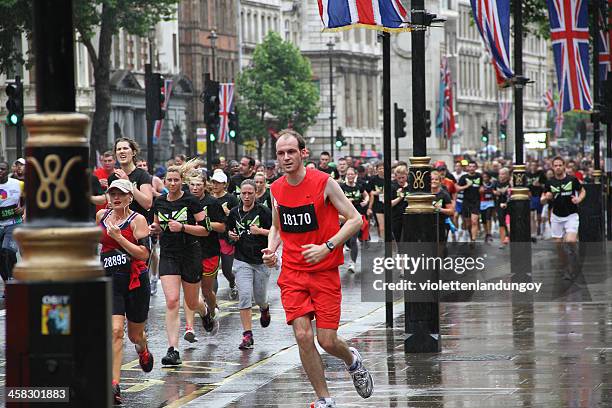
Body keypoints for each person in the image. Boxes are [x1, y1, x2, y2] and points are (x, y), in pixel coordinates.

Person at [263, 129, 373, 408]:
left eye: (291, 152)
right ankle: (324, 399)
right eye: (280, 153)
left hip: (324, 272)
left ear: (303, 153)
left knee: (326, 340)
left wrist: (328, 245)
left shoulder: (324, 182)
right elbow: (277, 226)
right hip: (292, 273)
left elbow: (355, 219)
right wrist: (271, 249)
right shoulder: (276, 189)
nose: (286, 157)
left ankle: (352, 359)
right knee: (302, 335)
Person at [98, 179, 153, 405]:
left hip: (135, 282)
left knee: (134, 335)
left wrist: (119, 238)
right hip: (111, 281)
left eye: (120, 194)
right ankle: (114, 385)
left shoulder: (137, 220)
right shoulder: (101, 216)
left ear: (130, 197)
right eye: (112, 194)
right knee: (116, 331)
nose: (116, 198)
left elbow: (144, 255)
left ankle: (143, 348)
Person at [149, 166, 210, 366]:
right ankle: (173, 350)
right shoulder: (159, 202)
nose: (173, 183)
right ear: (164, 182)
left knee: (192, 303)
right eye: (169, 180)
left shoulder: (191, 201)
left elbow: (206, 230)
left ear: (181, 181)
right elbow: (157, 225)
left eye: (176, 180)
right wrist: (155, 229)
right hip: (169, 254)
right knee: (172, 301)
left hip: (190, 253)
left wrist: (183, 227)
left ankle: (205, 311)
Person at [226, 180, 273, 349]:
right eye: (243, 193)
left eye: (249, 193)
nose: (246, 197)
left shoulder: (264, 211)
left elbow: (276, 233)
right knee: (245, 295)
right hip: (241, 259)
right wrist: (232, 236)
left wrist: (260, 231)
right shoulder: (234, 213)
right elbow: (228, 233)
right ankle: (247, 335)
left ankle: (264, 308)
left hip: (261, 260)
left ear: (255, 193)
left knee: (260, 297)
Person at [183, 173, 226, 342]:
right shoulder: (184, 201)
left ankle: (211, 313)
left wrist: (203, 224)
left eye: (198, 185)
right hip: (189, 251)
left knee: (206, 291)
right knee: (190, 290)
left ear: (204, 186)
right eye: (192, 185)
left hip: (209, 251)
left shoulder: (212, 203)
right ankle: (190, 328)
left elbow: (222, 227)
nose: (194, 188)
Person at [541, 157, 585, 276]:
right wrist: (546, 197)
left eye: (560, 165)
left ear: (564, 166)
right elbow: (542, 200)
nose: (558, 167)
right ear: (552, 167)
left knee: (570, 240)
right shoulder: (549, 182)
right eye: (555, 165)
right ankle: (565, 266)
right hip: (556, 217)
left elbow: (582, 191)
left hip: (571, 215)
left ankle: (574, 259)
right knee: (559, 245)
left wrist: (578, 199)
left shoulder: (572, 179)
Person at [107, 138, 154, 221]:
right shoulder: (112, 177)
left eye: (125, 148)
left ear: (133, 152)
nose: (122, 151)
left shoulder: (142, 175)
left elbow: (147, 204)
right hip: (119, 223)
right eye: (119, 149)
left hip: (138, 224)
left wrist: (127, 182)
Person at [210, 170, 239, 299]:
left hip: (226, 238)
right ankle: (212, 301)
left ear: (225, 184)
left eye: (218, 183)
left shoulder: (231, 198)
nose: (215, 185)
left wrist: (228, 213)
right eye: (214, 182)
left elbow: (238, 216)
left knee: (227, 270)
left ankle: (232, 283)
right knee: (213, 272)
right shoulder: (208, 198)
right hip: (211, 238)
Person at [0, 161, 24, 296]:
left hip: (13, 223)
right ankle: (7, 284)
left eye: (2, 169)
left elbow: (31, 198)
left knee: (7, 251)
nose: (0, 171)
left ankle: (13, 280)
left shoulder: (18, 184)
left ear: (8, 170)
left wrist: (23, 208)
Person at [341, 167, 369, 272]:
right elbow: (336, 199)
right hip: (344, 217)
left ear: (355, 175)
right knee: (345, 240)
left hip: (356, 217)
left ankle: (352, 263)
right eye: (348, 174)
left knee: (353, 240)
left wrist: (365, 201)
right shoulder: (342, 187)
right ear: (346, 176)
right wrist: (347, 200)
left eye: (352, 174)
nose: (350, 176)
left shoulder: (359, 186)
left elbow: (366, 195)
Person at [456, 161, 482, 243]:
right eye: (470, 166)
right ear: (467, 168)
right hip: (466, 202)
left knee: (474, 221)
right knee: (468, 224)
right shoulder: (464, 177)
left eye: (473, 166)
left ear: (476, 168)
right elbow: (457, 188)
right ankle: (471, 236)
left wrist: (482, 189)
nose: (471, 168)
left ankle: (473, 240)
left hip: (476, 202)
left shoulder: (479, 176)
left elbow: (481, 186)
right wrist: (467, 186)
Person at [526, 161, 547, 237]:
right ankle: (533, 230)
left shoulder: (540, 174)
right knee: (531, 214)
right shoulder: (527, 175)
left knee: (539, 215)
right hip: (530, 195)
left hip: (538, 195)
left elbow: (546, 184)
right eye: (532, 165)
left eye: (535, 165)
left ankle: (538, 226)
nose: (533, 167)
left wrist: (540, 184)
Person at [390, 165, 409, 242]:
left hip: (409, 216)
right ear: (395, 177)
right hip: (396, 216)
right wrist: (399, 198)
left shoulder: (411, 186)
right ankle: (401, 253)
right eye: (399, 178)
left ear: (406, 176)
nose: (401, 180)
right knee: (398, 238)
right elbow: (389, 204)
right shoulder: (392, 186)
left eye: (403, 177)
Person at [493, 168, 511, 248]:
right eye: (500, 174)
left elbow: (511, 195)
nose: (501, 176)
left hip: (509, 206)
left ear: (507, 175)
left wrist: (506, 203)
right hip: (498, 205)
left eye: (503, 174)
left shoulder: (510, 184)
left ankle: (508, 236)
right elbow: (491, 191)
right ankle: (503, 241)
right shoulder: (495, 183)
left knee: (509, 222)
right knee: (501, 222)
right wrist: (495, 192)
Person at [367, 162, 385, 240]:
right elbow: (369, 191)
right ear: (377, 170)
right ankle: (382, 241)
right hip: (377, 204)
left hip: (387, 203)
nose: (382, 170)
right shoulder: (373, 179)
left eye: (383, 168)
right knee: (381, 226)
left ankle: (384, 239)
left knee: (386, 226)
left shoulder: (389, 179)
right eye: (380, 168)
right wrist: (374, 192)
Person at [479, 172, 495, 243]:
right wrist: (479, 191)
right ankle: (486, 233)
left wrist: (494, 192)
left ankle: (489, 233)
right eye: (483, 177)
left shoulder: (492, 184)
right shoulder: (480, 184)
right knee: (483, 219)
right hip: (482, 203)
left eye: (486, 177)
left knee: (488, 216)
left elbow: (495, 191)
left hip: (490, 202)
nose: (485, 178)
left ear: (489, 177)